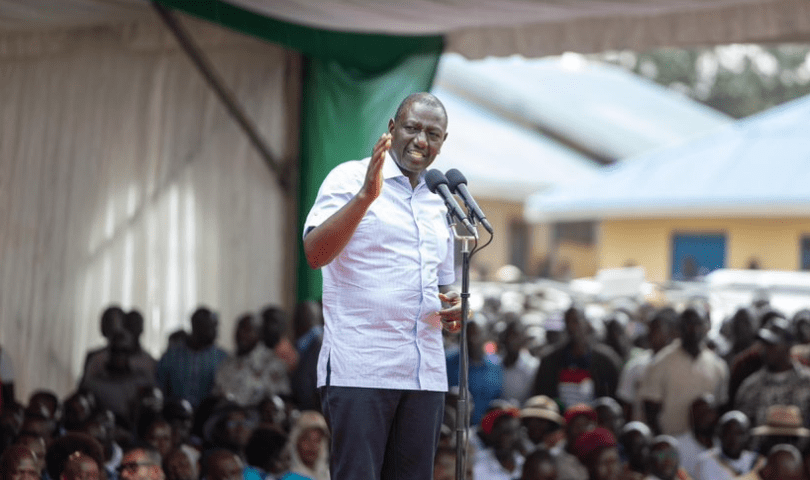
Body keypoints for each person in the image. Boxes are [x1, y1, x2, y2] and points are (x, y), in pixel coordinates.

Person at [302, 92, 463, 480]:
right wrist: (365, 197)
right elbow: (315, 253)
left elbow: (443, 287)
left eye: (433, 134)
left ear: (443, 142)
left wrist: (456, 304)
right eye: (413, 128)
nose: (422, 141)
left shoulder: (440, 199)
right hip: (362, 369)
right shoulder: (348, 177)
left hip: (424, 373)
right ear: (392, 129)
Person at [638, 306, 728, 436]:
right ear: (679, 328)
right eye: (688, 325)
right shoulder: (660, 363)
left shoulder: (717, 365)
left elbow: (720, 407)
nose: (694, 330)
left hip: (705, 445)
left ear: (706, 327)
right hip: (672, 440)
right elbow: (650, 409)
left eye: (698, 324)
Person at [532, 306, 621, 409]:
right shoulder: (550, 360)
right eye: (568, 322)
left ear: (587, 324)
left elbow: (613, 398)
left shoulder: (605, 360)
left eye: (576, 321)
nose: (572, 327)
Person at [734, 317, 810, 428]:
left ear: (788, 347)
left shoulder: (806, 382)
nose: (765, 350)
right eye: (764, 344)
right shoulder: (750, 387)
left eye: (772, 344)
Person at [155, 307, 228, 408]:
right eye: (210, 327)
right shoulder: (172, 356)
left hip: (209, 417)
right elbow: (159, 388)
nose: (215, 332)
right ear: (195, 326)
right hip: (175, 415)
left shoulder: (223, 358)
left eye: (215, 326)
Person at [213, 313, 290, 406]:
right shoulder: (227, 362)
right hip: (226, 415)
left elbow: (280, 400)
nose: (241, 334)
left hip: (256, 417)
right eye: (239, 329)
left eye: (247, 330)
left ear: (259, 334)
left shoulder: (272, 363)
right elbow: (217, 394)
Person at [615, 307, 676, 421]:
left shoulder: (677, 365)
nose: (652, 335)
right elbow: (626, 403)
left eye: (657, 330)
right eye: (650, 330)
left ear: (669, 333)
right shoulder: (636, 365)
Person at [693, 410, 757, 480]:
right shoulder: (705, 463)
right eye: (729, 433)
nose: (734, 438)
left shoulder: (754, 462)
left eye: (739, 433)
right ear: (720, 434)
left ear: (747, 436)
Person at [674, 394, 717, 479]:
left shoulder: (725, 444)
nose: (701, 417)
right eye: (697, 413)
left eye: (706, 412)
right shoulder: (677, 446)